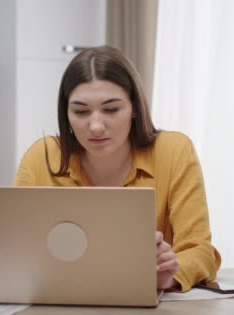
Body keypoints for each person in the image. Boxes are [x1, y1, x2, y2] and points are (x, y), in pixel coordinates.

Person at [13, 46, 221, 291]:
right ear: (66, 113)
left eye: (111, 109)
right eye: (80, 111)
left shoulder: (173, 151)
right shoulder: (41, 157)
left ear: (134, 108)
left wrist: (170, 274)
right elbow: (14, 251)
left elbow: (201, 251)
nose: (96, 126)